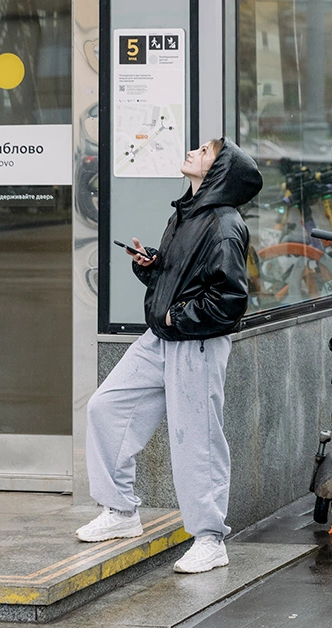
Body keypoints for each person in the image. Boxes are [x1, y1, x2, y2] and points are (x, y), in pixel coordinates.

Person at [75, 137, 263, 574]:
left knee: (196, 439)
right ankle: (121, 513)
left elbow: (230, 301)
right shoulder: (187, 214)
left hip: (194, 343)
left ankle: (210, 539)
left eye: (206, 152)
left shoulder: (224, 225)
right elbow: (186, 279)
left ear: (218, 172)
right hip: (162, 337)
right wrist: (151, 267)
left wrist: (179, 316)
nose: (194, 152)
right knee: (106, 408)